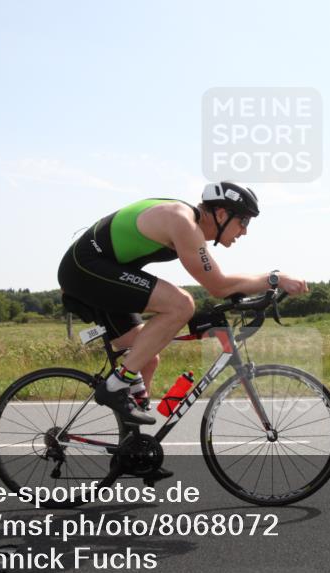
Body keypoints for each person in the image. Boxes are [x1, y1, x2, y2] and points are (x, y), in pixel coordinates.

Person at [57, 182, 309, 426]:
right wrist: (275, 279)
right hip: (85, 268)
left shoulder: (188, 223)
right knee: (181, 304)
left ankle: (132, 445)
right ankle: (115, 385)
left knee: (146, 358)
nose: (245, 231)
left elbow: (221, 283)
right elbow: (219, 286)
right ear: (222, 214)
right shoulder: (183, 222)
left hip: (103, 270)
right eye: (243, 221)